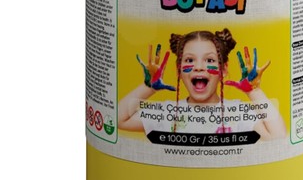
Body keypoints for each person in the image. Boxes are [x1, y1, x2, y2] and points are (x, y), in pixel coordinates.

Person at [118, 28, 286, 140]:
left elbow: (278, 137)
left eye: (209, 60)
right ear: (179, 70)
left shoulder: (237, 111)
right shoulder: (166, 112)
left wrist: (254, 91)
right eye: (189, 60)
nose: (198, 67)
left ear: (223, 69)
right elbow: (116, 119)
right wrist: (147, 87)